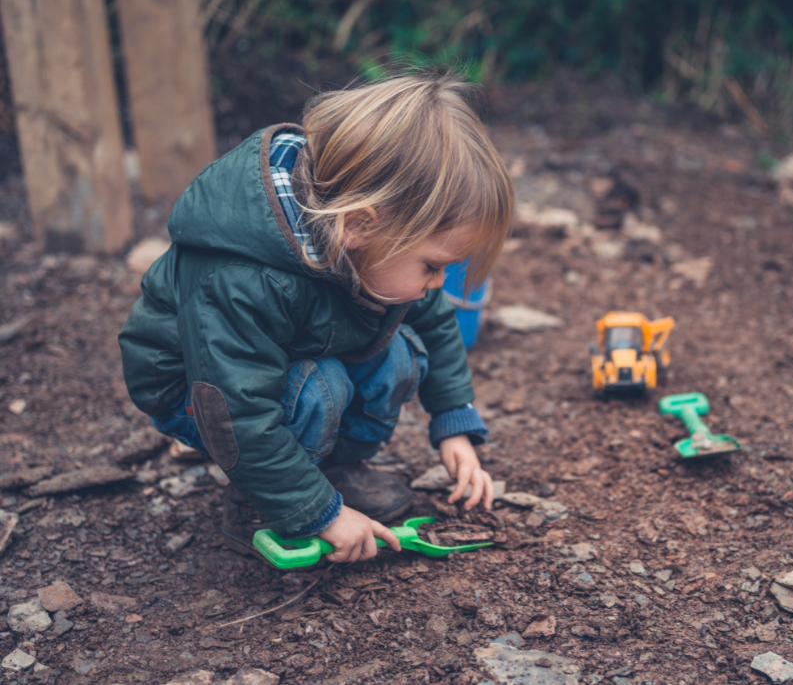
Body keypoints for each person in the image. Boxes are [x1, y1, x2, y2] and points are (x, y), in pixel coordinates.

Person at [118, 70, 514, 564]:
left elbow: (434, 321)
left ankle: (331, 471)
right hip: (199, 391)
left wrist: (454, 423)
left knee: (397, 355)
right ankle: (265, 504)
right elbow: (235, 408)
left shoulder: (366, 247)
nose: (438, 283)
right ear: (360, 225)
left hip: (287, 355)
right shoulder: (242, 277)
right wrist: (318, 516)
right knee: (318, 387)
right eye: (432, 266)